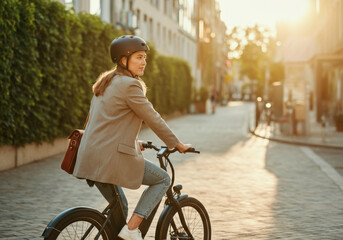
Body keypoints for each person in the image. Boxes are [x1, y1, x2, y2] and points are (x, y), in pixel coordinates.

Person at [72, 35, 191, 240]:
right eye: (138, 57)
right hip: (109, 159)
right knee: (163, 179)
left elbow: (103, 122)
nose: (144, 62)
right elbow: (153, 118)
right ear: (123, 59)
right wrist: (177, 144)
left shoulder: (106, 82)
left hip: (90, 156)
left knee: (121, 207)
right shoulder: (130, 85)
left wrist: (135, 142)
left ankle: (121, 233)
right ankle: (131, 230)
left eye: (145, 57)